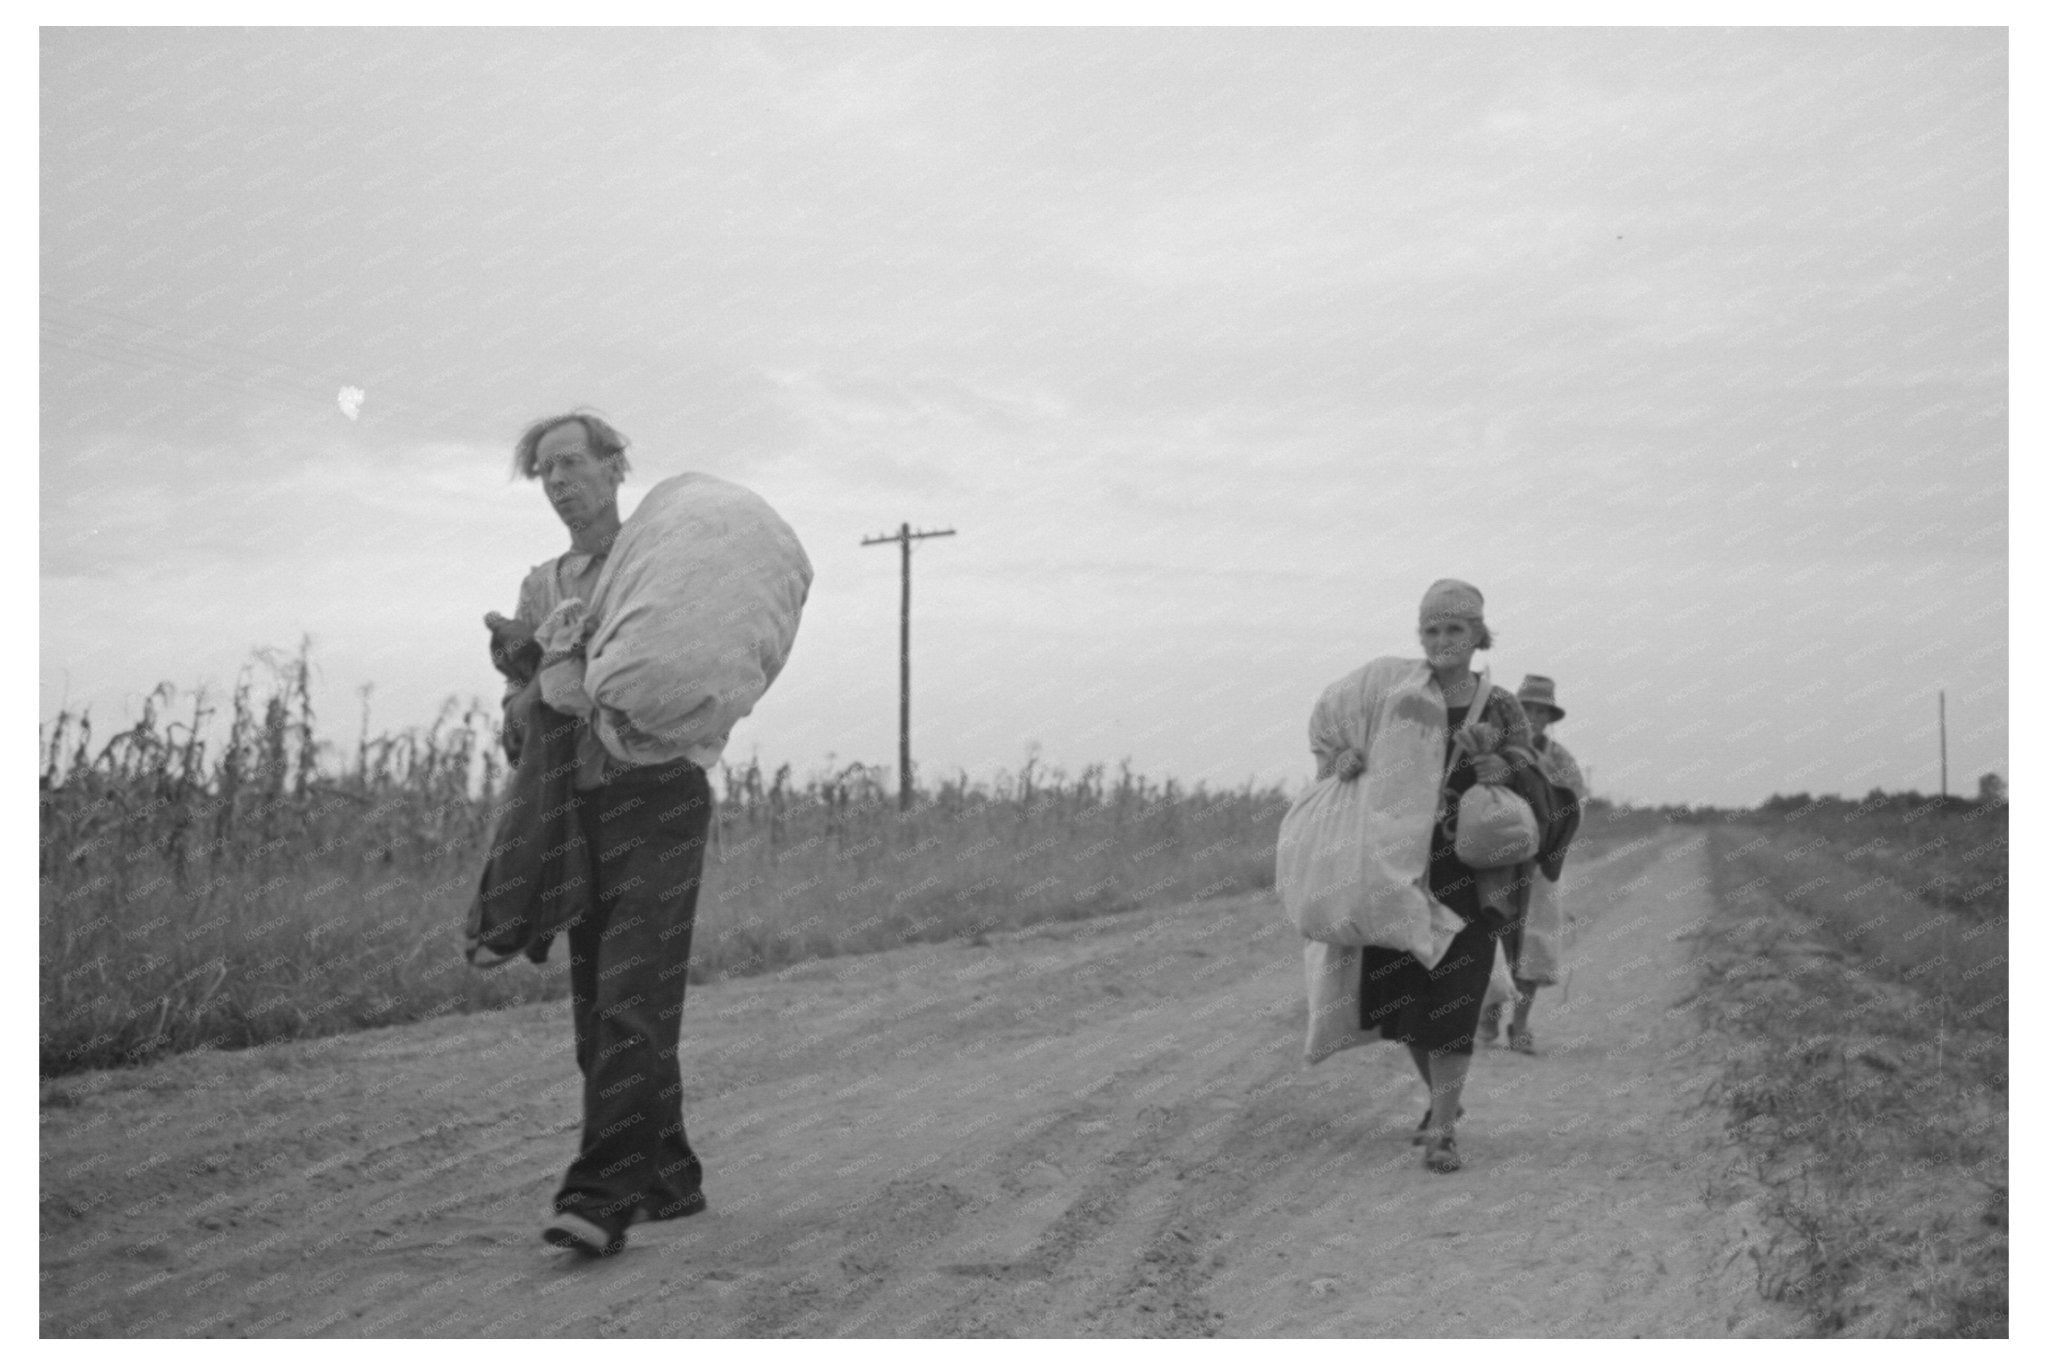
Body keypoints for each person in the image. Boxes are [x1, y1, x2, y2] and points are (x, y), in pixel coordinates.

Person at [485, 412, 716, 1257]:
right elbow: (520, 718)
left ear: (616, 466)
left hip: (658, 799)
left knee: (632, 1000)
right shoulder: (541, 587)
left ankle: (601, 1195)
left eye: (572, 462)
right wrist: (537, 689)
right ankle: (669, 1175)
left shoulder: (656, 565)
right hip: (579, 809)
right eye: (543, 469)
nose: (557, 481)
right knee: (600, 1010)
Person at [1318, 579, 1543, 1174]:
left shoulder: (1500, 705)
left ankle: (1442, 1130)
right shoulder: (1392, 691)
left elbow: (1529, 774)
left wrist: (1494, 762)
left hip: (1471, 875)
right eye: (1432, 629)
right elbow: (1341, 738)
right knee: (1404, 1003)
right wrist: (1342, 761)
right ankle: (1444, 1104)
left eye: (1456, 629)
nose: (1443, 640)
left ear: (1478, 634)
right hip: (1397, 872)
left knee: (1456, 999)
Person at [1479, 675, 1589, 1054]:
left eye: (1542, 710)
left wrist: (1549, 846)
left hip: (1542, 862)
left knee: (1536, 940)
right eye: (1527, 709)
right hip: (1497, 860)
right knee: (1491, 936)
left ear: (1550, 716)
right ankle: (1489, 1013)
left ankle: (1520, 1025)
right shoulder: (1491, 750)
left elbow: (1573, 805)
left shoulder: (1559, 759)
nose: (1534, 716)